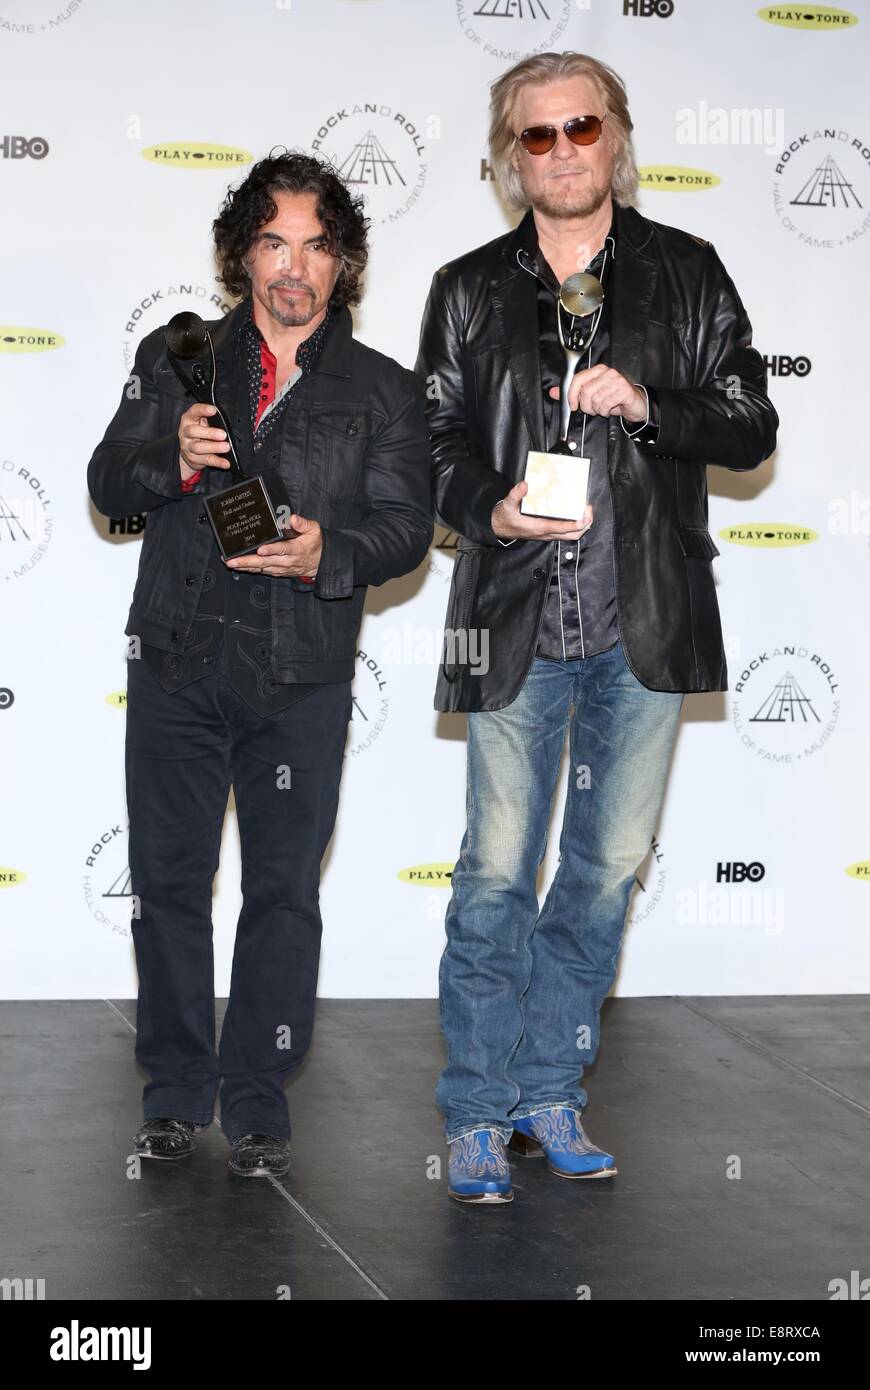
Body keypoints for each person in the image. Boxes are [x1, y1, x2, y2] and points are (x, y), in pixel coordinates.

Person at [415, 53, 778, 1204]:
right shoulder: (468, 289)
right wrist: (488, 506)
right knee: (491, 875)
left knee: (605, 871)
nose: (563, 150)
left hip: (646, 628)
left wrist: (652, 406)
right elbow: (427, 450)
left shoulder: (688, 271)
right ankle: (475, 1114)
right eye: (537, 136)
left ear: (617, 137)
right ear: (508, 157)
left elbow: (750, 421)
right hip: (513, 620)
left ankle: (547, 1091)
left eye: (582, 127)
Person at [88, 150, 433, 1178]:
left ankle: (257, 1097)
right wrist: (171, 461)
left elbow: (408, 529)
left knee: (284, 891)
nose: (295, 266)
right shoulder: (180, 354)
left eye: (317, 245)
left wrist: (331, 550)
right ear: (241, 253)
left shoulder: (384, 390)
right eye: (274, 241)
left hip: (303, 674)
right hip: (178, 662)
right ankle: (174, 1091)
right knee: (169, 882)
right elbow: (112, 482)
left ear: (344, 262)